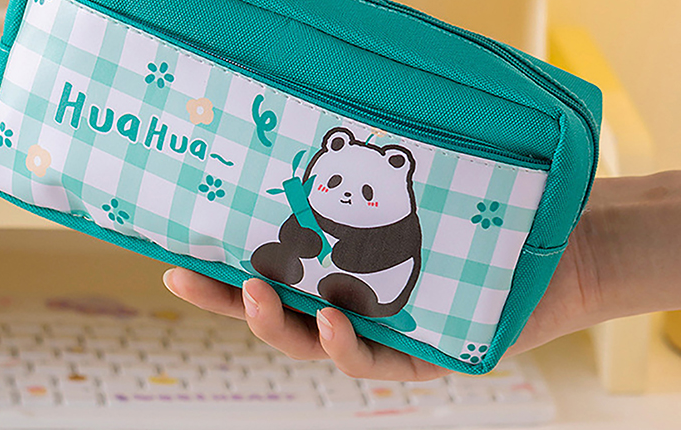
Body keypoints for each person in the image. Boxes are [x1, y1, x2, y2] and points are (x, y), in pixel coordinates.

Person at [162, 171, 681, 381]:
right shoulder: (314, 198)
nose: (347, 195)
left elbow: (378, 256)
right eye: (336, 180)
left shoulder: (399, 230)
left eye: (367, 191)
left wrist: (587, 260)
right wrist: (588, 256)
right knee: (293, 248)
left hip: (373, 284)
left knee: (353, 281)